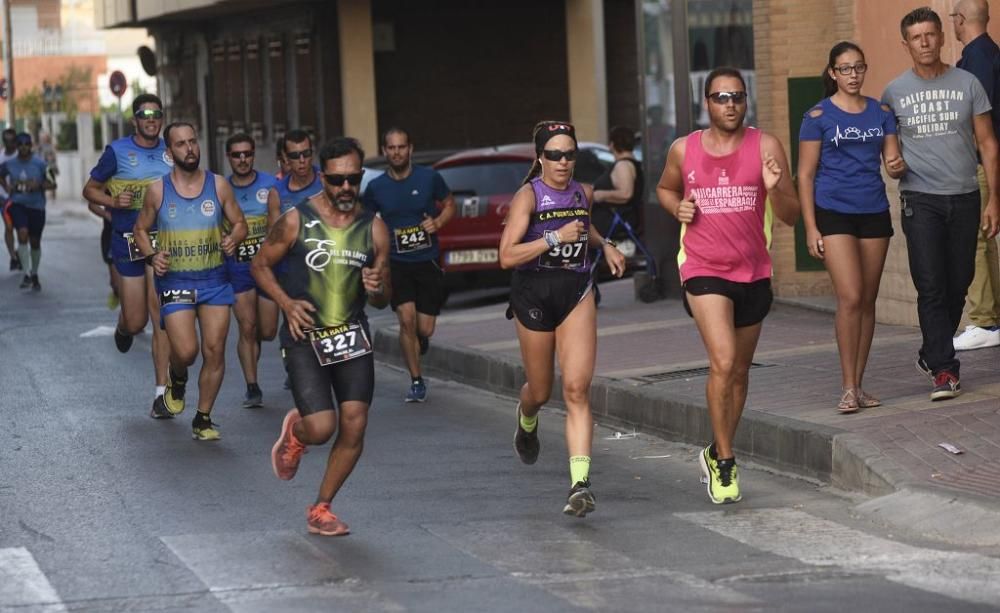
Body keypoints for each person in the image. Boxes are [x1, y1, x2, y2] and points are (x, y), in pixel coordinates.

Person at [656, 67, 800, 504]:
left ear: (746, 100)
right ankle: (726, 461)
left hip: (754, 271)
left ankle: (716, 446)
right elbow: (664, 188)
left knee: (739, 371)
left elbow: (791, 214)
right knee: (723, 361)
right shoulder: (685, 149)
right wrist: (677, 206)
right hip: (702, 268)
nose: (730, 104)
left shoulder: (766, 146)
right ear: (707, 103)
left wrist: (775, 190)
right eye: (721, 97)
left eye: (737, 96)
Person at [254, 137, 391, 536]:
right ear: (323, 176)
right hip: (305, 337)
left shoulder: (375, 228)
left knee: (355, 422)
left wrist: (378, 285)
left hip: (351, 336)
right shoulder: (297, 219)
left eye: (353, 179)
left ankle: (321, 508)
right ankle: (297, 433)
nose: (346, 188)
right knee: (321, 428)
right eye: (337, 180)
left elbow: (384, 298)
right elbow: (260, 265)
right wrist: (285, 303)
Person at [499, 120, 626, 518]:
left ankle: (580, 485)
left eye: (569, 154)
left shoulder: (581, 191)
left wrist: (605, 246)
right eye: (554, 154)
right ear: (540, 158)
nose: (562, 161)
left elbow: (582, 229)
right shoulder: (528, 196)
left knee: (576, 389)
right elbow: (506, 256)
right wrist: (553, 239)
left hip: (575, 290)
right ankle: (528, 418)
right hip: (533, 292)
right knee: (540, 390)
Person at [882, 7, 1000, 400]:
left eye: (931, 34)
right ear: (906, 44)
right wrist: (893, 165)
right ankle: (945, 370)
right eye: (917, 37)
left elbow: (987, 143)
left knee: (960, 281)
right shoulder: (894, 92)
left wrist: (994, 199)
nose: (925, 42)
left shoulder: (967, 83)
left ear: (941, 36)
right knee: (931, 286)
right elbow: (889, 150)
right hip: (920, 200)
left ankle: (932, 352)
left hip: (966, 195)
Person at [798, 42, 907, 413]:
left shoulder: (881, 112)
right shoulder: (816, 117)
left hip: (873, 209)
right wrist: (810, 228)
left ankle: (859, 384)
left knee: (867, 301)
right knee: (849, 296)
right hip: (833, 212)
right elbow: (805, 175)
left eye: (859, 67)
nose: (853, 74)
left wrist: (896, 166)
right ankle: (846, 387)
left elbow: (893, 159)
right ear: (832, 73)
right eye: (845, 69)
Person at [133, 122, 247, 435]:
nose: (190, 148)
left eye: (193, 141)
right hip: (175, 282)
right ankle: (178, 379)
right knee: (185, 352)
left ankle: (203, 418)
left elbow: (240, 223)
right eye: (181, 144)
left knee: (215, 350)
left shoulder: (219, 185)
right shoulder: (158, 190)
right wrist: (152, 255)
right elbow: (140, 230)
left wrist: (234, 238)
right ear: (170, 153)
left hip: (215, 281)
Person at [82, 94, 174, 416]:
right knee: (137, 321)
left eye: (156, 114)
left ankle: (161, 394)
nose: (151, 119)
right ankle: (123, 326)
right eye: (144, 114)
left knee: (159, 312)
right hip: (126, 239)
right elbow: (89, 190)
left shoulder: (171, 152)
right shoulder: (117, 152)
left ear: (161, 118)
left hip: (161, 240)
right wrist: (112, 202)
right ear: (135, 120)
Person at [363, 127, 455, 402]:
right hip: (396, 263)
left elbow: (450, 204)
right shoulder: (376, 187)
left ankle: (420, 340)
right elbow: (366, 220)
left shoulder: (429, 178)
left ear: (410, 149)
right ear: (384, 151)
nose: (396, 152)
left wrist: (437, 222)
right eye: (391, 148)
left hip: (427, 261)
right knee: (406, 320)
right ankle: (416, 380)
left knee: (424, 328)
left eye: (401, 147)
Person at [950, 0, 1000, 351]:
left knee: (978, 239)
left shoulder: (977, 59)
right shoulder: (988, 54)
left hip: (981, 165)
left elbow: (976, 117)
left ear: (960, 19)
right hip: (986, 162)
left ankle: (985, 320)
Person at [224, 132, 278, 407]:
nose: (243, 159)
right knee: (247, 327)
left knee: (266, 331)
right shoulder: (221, 189)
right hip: (238, 269)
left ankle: (253, 343)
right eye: (237, 155)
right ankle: (252, 387)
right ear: (229, 157)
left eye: (247, 153)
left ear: (254, 154)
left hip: (267, 267)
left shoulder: (271, 184)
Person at [260, 129, 323, 344]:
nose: (302, 160)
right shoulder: (277, 194)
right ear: (285, 159)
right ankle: (298, 370)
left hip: (328, 265)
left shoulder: (326, 181)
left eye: (306, 153)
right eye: (295, 156)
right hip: (293, 273)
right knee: (301, 331)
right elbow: (273, 240)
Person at [0, 132, 55, 290]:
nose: (23, 147)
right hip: (18, 205)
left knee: (35, 241)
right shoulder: (10, 164)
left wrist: (38, 185)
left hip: (37, 206)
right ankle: (26, 274)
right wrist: (6, 187)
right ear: (17, 147)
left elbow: (53, 184)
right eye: (20, 144)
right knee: (22, 234)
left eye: (26, 144)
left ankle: (35, 273)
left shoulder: (41, 164)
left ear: (31, 146)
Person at [592, 126, 644, 238]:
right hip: (616, 217)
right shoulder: (630, 163)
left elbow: (626, 194)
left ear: (612, 144)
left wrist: (599, 195)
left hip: (615, 220)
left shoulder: (623, 165)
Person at [87, 201, 121, 309]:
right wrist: (106, 214)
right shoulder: (108, 184)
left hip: (135, 235)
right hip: (112, 235)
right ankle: (117, 293)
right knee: (117, 284)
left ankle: (129, 315)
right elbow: (92, 204)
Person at [1, 128, 21, 271]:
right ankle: (13, 257)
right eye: (6, 141)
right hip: (3, 198)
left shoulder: (21, 156)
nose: (10, 144)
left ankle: (20, 253)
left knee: (22, 229)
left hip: (19, 198)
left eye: (12, 141)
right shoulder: (0, 157)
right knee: (9, 227)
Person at [38, 132, 58, 200]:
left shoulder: (51, 146)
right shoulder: (41, 146)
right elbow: (39, 155)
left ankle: (53, 196)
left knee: (52, 181)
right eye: (43, 138)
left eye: (45, 138)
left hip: (50, 166)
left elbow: (53, 156)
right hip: (43, 166)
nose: (44, 139)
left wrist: (50, 157)